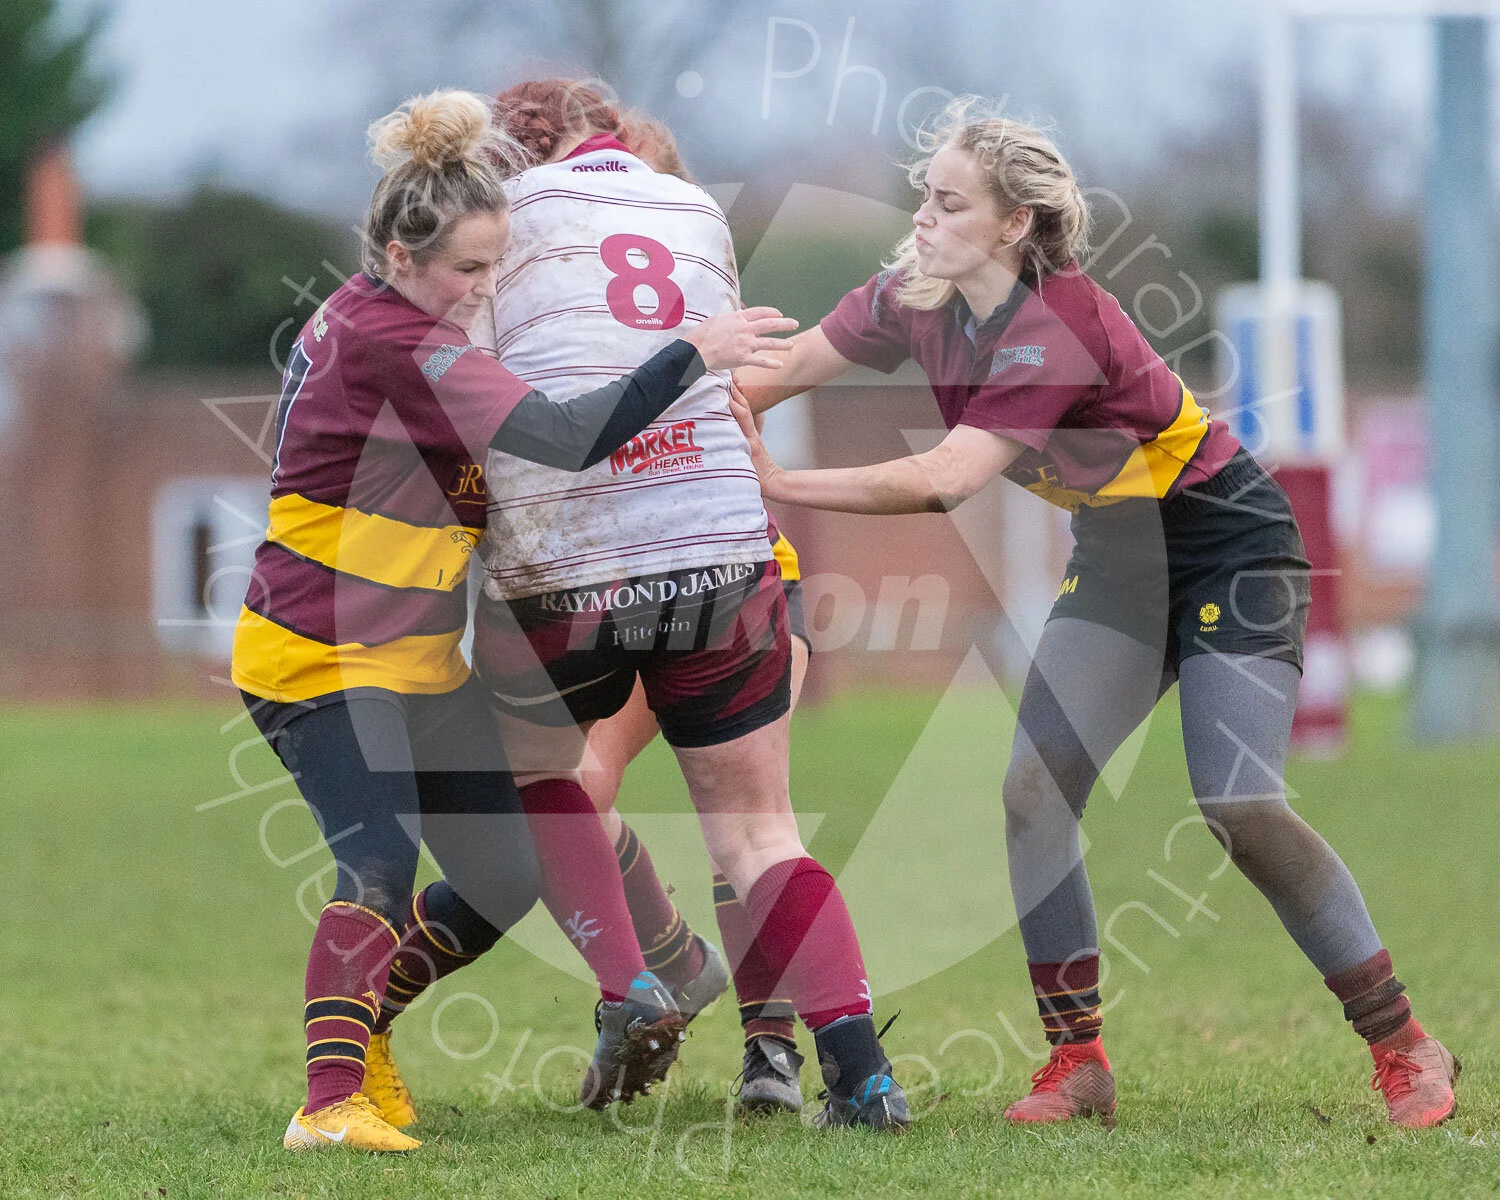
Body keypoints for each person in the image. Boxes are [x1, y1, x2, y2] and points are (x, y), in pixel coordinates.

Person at [732, 95, 1457, 1130]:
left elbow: (947, 479)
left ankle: (1406, 1045)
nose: (922, 219)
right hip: (1120, 561)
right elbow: (787, 368)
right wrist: (682, 402)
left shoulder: (1054, 326)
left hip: (1230, 547)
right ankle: (1078, 1061)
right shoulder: (912, 294)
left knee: (1239, 804)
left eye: (949, 203)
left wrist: (783, 483)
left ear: (1013, 224)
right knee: (1033, 791)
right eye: (923, 197)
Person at [231, 88, 797, 1155]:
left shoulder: (394, 316)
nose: (485, 289)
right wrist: (692, 348)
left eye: (498, 267)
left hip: (411, 661)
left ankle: (366, 1038)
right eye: (469, 270)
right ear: (399, 255)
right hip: (320, 657)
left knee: (502, 872)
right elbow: (562, 434)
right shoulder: (398, 338)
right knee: (378, 863)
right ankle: (329, 1102)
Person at [472, 79, 905, 1128]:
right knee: (761, 836)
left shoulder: (500, 222)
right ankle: (862, 1077)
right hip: (722, 553)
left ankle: (641, 987)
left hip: (573, 558)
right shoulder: (695, 212)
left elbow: (468, 386)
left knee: (540, 779)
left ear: (514, 154)